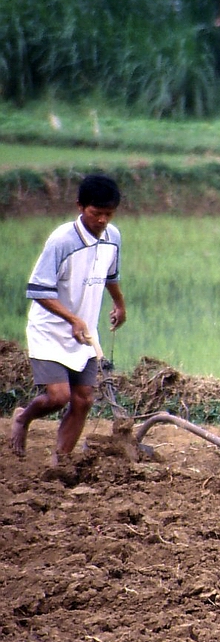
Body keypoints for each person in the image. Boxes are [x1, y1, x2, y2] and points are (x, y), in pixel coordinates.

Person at [9, 174, 127, 463]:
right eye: (95, 213)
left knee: (84, 399)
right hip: (51, 329)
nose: (102, 220)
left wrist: (119, 303)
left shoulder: (113, 237)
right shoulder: (62, 240)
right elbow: (38, 290)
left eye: (108, 214)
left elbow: (110, 275)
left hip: (84, 332)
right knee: (58, 396)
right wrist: (72, 319)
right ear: (80, 207)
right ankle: (24, 418)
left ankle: (60, 460)